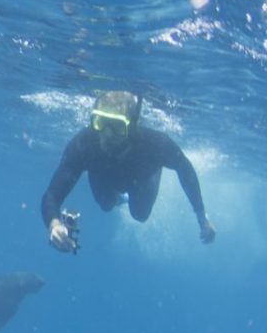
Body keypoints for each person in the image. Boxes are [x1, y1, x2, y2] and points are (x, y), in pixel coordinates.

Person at [41, 90, 216, 253]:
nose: (107, 134)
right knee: (106, 204)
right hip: (105, 176)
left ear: (132, 125)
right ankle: (121, 199)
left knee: (139, 214)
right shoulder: (85, 144)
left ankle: (153, 173)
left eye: (117, 126)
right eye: (100, 123)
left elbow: (185, 170)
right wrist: (54, 224)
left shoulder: (155, 144)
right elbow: (52, 195)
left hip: (142, 178)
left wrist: (202, 218)